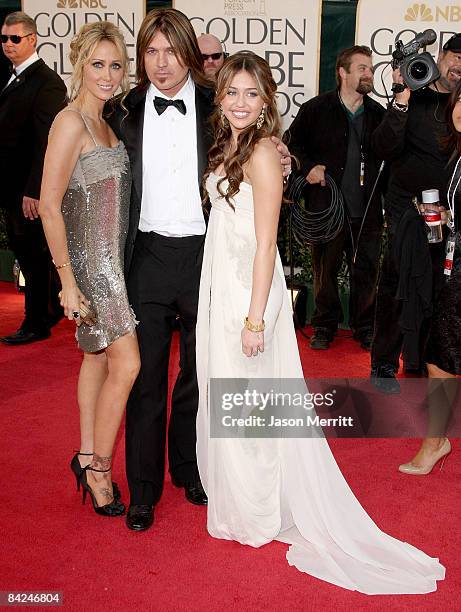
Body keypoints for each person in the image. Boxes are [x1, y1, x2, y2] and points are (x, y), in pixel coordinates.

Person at [196, 49, 445, 595]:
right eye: (232, 92)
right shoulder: (235, 145)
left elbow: (266, 245)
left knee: (251, 404)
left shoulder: (260, 152)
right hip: (224, 288)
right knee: (234, 401)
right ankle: (243, 501)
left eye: (251, 94)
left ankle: (259, 511)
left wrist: (254, 318)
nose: (239, 103)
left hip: (249, 294)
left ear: (266, 102)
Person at [106, 8, 291, 532]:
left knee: (196, 374)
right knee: (144, 378)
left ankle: (189, 469)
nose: (161, 64)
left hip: (205, 258)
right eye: (151, 52)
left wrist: (286, 157)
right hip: (144, 257)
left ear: (189, 51)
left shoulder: (219, 103)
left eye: (171, 51)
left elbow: (259, 147)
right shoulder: (124, 109)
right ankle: (143, 490)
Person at [39, 21, 140, 517]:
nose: (107, 74)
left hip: (115, 262)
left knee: (97, 359)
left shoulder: (108, 121)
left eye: (116, 65)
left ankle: (84, 455)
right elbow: (51, 205)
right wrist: (66, 281)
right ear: (79, 64)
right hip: (91, 270)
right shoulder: (71, 122)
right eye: (98, 63)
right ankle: (100, 468)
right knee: (129, 362)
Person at [370, 33, 461, 392]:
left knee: (438, 288)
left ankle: (422, 359)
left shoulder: (459, 103)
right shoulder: (413, 92)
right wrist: (400, 98)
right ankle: (383, 364)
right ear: (439, 56)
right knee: (397, 285)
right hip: (406, 211)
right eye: (454, 57)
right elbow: (382, 147)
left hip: (449, 215)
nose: (459, 67)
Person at [284, 46, 385, 351]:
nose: (369, 73)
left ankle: (364, 327)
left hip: (367, 212)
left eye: (370, 68)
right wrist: (308, 169)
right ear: (343, 72)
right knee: (324, 273)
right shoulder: (316, 109)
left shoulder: (379, 115)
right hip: (326, 209)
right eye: (362, 68)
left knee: (366, 272)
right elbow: (291, 147)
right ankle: (325, 326)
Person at [399, 79, 461, 475]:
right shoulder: (457, 155)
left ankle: (436, 442)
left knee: (442, 355)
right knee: (441, 352)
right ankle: (436, 440)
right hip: (455, 265)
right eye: (460, 103)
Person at [0, 11, 66, 345]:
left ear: (32, 39)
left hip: (28, 189)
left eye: (15, 39)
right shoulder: (11, 77)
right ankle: (47, 310)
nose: (8, 45)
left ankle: (36, 322)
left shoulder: (48, 82)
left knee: (34, 255)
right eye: (4, 38)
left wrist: (35, 190)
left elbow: (48, 141)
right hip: (11, 186)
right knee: (25, 251)